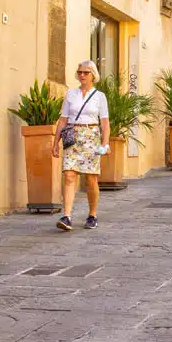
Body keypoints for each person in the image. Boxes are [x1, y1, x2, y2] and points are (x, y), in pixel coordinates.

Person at [52, 60, 111, 231]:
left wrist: (105, 143)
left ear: (93, 75)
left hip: (91, 137)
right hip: (73, 136)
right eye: (80, 72)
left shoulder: (100, 97)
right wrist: (56, 142)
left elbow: (105, 123)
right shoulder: (71, 94)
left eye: (86, 73)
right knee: (69, 175)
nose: (82, 75)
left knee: (91, 178)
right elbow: (63, 120)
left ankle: (92, 215)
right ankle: (67, 216)